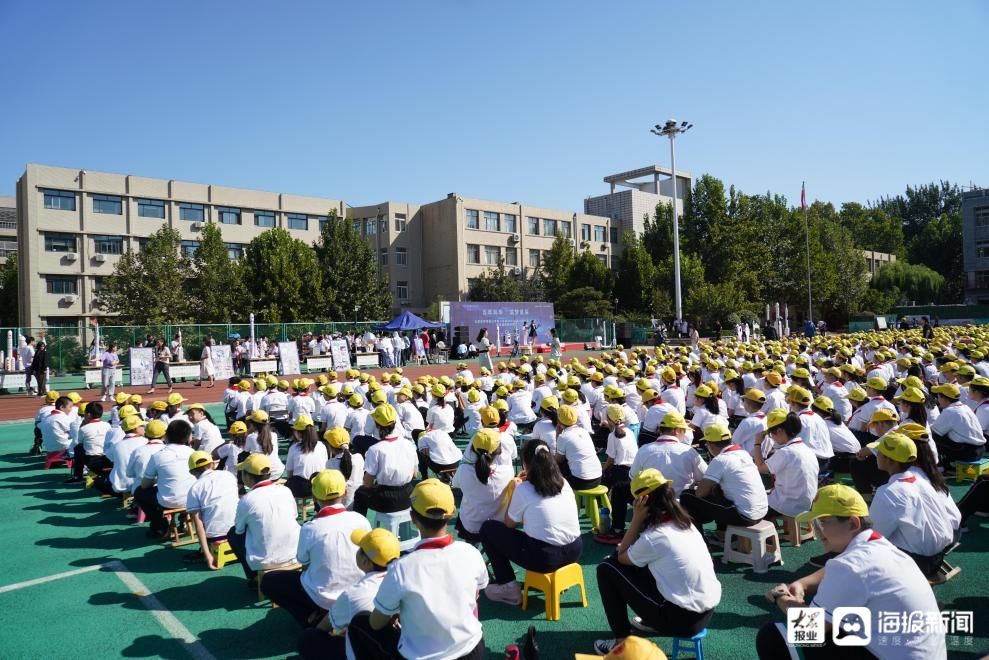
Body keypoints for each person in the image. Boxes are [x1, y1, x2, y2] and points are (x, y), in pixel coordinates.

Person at [755, 485, 946, 659]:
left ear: (853, 523)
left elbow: (812, 629)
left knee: (773, 637)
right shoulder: (880, 546)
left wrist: (782, 598)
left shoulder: (851, 566)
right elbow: (846, 568)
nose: (819, 532)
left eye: (824, 523)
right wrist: (803, 584)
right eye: (816, 524)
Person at [347, 479, 489, 660]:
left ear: (412, 518)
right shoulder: (472, 554)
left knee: (361, 623)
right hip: (472, 650)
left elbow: (376, 623)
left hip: (423, 656)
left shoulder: (401, 568)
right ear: (452, 513)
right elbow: (476, 593)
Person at [593, 468, 721, 655]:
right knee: (645, 566)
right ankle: (650, 619)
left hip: (680, 620)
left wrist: (636, 520)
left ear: (642, 501)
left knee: (607, 568)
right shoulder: (685, 522)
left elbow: (621, 556)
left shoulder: (655, 536)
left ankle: (621, 643)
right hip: (705, 613)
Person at [262, 469, 371, 626]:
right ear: (345, 492)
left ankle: (310, 617)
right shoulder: (360, 520)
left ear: (314, 496)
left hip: (323, 598)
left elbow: (303, 563)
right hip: (358, 592)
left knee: (269, 582)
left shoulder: (310, 528)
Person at [480, 439, 583, 606]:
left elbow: (509, 524)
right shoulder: (564, 482)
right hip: (574, 552)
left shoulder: (524, 490)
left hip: (545, 558)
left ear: (526, 464)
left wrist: (514, 489)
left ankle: (508, 586)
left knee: (488, 529)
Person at [297, 528, 401, 660]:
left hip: (370, 650)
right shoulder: (403, 580)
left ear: (365, 562)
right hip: (398, 647)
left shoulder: (354, 594)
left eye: (360, 549)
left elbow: (323, 627)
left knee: (308, 638)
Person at [867, 432, 960, 579]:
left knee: (861, 544)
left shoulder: (889, 492)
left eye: (879, 452)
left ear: (890, 460)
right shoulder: (922, 480)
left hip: (915, 562)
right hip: (937, 556)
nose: (876, 455)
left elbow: (875, 535)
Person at [680, 424, 768, 539]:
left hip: (744, 516)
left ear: (710, 444)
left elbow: (699, 493)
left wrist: (701, 485)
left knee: (687, 496)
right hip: (761, 512)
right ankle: (723, 532)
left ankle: (700, 541)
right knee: (719, 490)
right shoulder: (744, 453)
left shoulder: (721, 459)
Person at [228, 454, 301, 586]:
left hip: (265, 560)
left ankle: (254, 577)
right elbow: (295, 516)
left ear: (248, 477)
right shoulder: (285, 490)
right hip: (294, 553)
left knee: (233, 534)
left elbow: (239, 531)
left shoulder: (247, 500)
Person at [135, 419, 197, 539]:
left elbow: (145, 485)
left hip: (168, 501)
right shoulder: (193, 452)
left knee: (140, 493)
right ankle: (184, 520)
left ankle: (160, 526)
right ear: (189, 436)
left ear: (166, 435)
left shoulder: (158, 455)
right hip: (192, 499)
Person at [752, 410, 819, 519]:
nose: (771, 437)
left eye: (770, 434)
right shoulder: (807, 449)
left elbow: (759, 468)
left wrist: (757, 443)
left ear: (779, 431)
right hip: (806, 505)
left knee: (745, 504)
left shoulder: (786, 452)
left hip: (788, 506)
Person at [352, 404, 418, 516]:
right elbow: (415, 475)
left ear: (377, 426)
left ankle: (359, 527)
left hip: (386, 499)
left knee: (360, 493)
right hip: (408, 496)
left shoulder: (375, 449)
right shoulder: (409, 444)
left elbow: (368, 483)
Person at [452, 429, 515, 544]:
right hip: (497, 527)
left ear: (472, 449)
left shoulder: (464, 470)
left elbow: (455, 484)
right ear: (499, 450)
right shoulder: (508, 471)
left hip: (472, 526)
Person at [185, 450, 239, 568]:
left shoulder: (195, 488)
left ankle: (203, 550)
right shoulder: (228, 475)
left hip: (216, 536)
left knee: (200, 515)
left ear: (192, 472)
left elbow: (198, 525)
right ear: (212, 464)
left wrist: (207, 554)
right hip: (239, 531)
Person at [930, 382, 986, 466]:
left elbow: (934, 431)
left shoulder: (950, 411)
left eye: (938, 397)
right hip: (980, 449)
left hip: (967, 452)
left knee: (931, 437)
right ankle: (949, 463)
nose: (938, 400)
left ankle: (941, 465)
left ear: (945, 399)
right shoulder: (965, 407)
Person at [555, 404, 603, 490]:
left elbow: (558, 459)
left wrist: (557, 434)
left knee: (557, 464)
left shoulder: (563, 437)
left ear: (559, 421)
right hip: (598, 477)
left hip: (581, 481)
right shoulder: (583, 431)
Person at [285, 414, 329, 498]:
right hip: (320, 486)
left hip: (301, 488)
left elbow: (289, 472)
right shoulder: (322, 445)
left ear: (297, 432)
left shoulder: (294, 447)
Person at [325, 427, 364, 510]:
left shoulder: (330, 463)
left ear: (331, 447)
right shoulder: (359, 458)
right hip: (359, 505)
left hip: (340, 508)